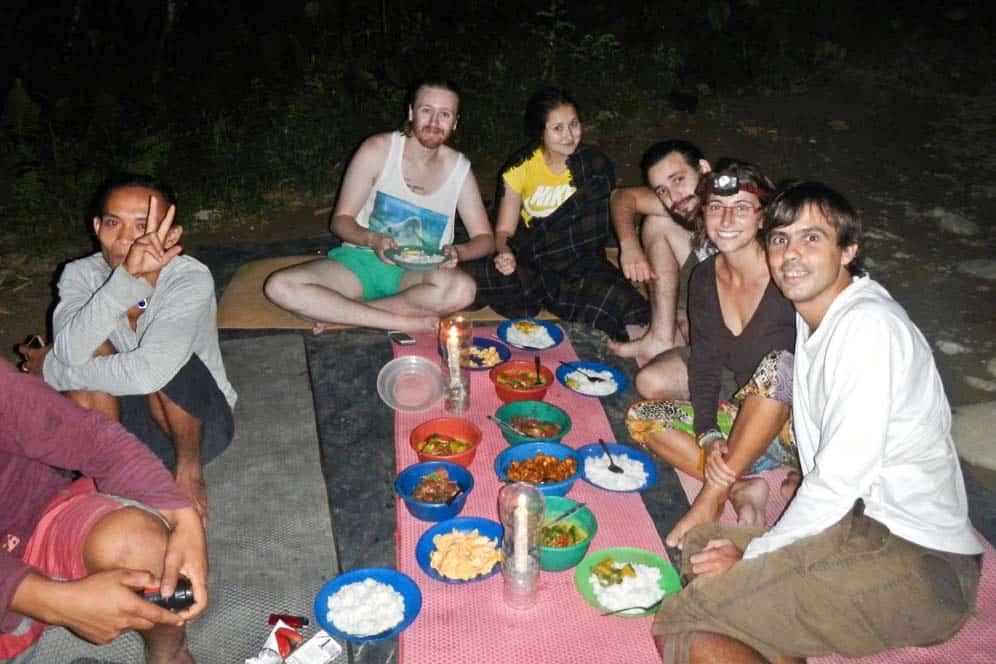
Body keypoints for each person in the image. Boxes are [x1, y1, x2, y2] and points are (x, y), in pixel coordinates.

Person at [652, 182, 983, 663]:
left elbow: (839, 480)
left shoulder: (869, 328)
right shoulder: (816, 322)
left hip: (919, 561)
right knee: (704, 546)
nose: (791, 253)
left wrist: (755, 560)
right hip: (857, 527)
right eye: (781, 239)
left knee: (684, 620)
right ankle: (776, 627)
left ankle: (756, 613)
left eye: (812, 238)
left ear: (847, 250)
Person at [16, 174, 236, 526]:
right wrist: (126, 280)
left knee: (171, 362)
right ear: (96, 226)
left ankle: (188, 469)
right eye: (113, 223)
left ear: (172, 235)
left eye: (143, 226)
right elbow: (72, 350)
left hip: (197, 426)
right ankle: (112, 476)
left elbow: (150, 372)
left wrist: (50, 368)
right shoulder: (79, 274)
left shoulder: (189, 277)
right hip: (117, 426)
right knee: (90, 346)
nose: (125, 239)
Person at [625, 163, 799, 547]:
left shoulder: (790, 274)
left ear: (763, 214)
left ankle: (714, 495)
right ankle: (742, 485)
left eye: (741, 207)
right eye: (716, 207)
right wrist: (708, 434)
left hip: (802, 429)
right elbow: (703, 364)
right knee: (644, 417)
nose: (727, 219)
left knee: (780, 368)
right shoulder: (704, 277)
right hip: (744, 424)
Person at [0, 359, 208, 664]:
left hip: (34, 519)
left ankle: (170, 656)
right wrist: (49, 601)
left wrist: (182, 516)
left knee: (136, 544)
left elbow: (91, 438)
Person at [263, 76, 494, 334]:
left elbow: (485, 238)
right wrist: (372, 240)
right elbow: (341, 220)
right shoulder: (378, 150)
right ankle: (400, 321)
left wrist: (459, 252)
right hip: (361, 260)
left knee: (463, 290)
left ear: (455, 123)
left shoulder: (459, 170)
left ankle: (345, 312)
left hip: (417, 274)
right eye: (426, 111)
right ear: (411, 112)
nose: (434, 122)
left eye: (445, 114)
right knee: (279, 286)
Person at [461, 87, 648, 340]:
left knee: (623, 301)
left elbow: (593, 229)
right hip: (531, 258)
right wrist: (505, 252)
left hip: (579, 262)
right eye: (557, 128)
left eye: (574, 124)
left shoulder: (593, 164)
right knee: (478, 280)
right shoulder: (520, 168)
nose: (569, 135)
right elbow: (505, 230)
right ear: (541, 132)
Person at [607, 140, 713, 375]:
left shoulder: (738, 207)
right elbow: (621, 196)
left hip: (739, 314)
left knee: (651, 381)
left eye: (679, 179)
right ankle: (660, 337)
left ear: (704, 169)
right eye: (662, 191)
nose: (675, 196)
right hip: (708, 284)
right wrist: (629, 244)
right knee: (658, 222)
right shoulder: (685, 201)